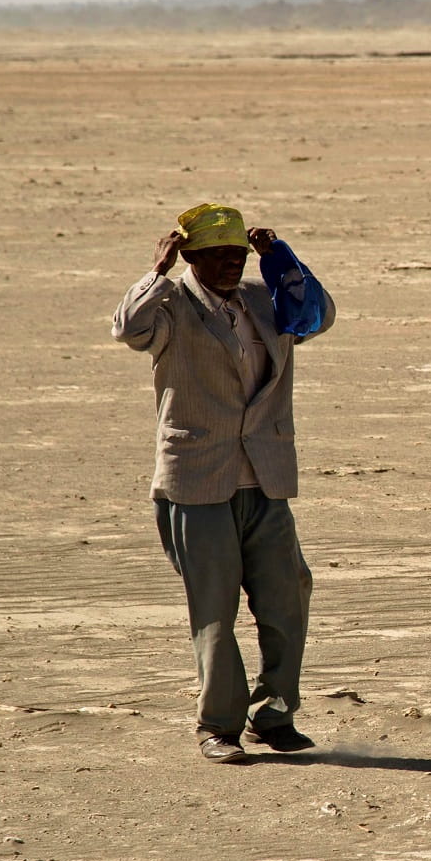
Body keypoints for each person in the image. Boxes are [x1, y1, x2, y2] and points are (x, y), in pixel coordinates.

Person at [111, 203, 336, 763]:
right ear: (190, 257)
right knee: (214, 610)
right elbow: (128, 327)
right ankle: (219, 727)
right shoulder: (168, 306)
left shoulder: (267, 299)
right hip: (196, 482)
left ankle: (276, 713)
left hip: (265, 477)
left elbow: (320, 315)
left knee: (289, 597)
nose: (232, 264)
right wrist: (155, 272)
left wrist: (281, 257)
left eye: (238, 254)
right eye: (217, 255)